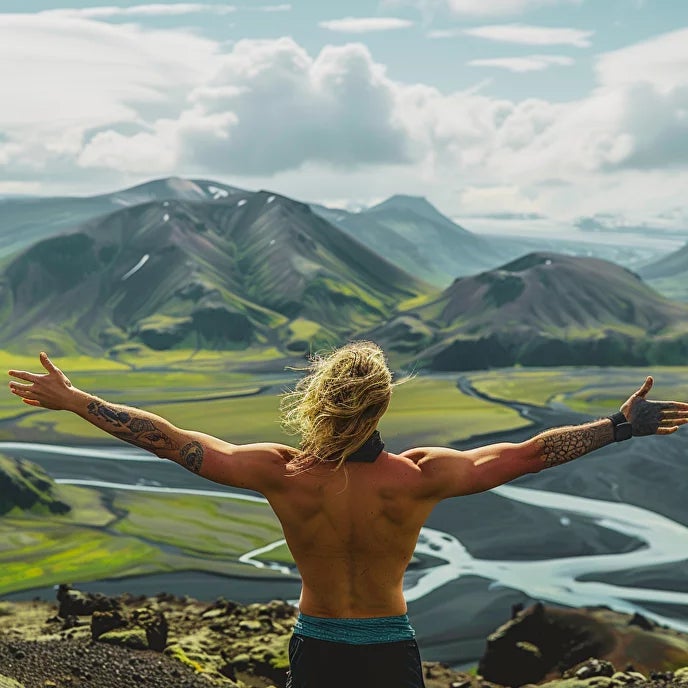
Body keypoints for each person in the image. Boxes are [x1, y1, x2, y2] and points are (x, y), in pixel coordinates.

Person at [7, 343, 688, 688]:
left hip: (320, 647)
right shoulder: (419, 478)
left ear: (320, 403)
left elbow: (171, 440)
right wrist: (617, 428)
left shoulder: (284, 474)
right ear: (382, 406)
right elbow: (528, 455)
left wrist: (78, 402)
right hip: (390, 650)